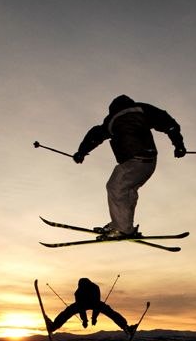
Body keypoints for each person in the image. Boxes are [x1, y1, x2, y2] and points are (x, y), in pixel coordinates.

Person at [72, 95, 186, 238]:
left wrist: (81, 152)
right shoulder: (143, 109)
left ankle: (122, 228)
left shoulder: (112, 119)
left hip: (134, 161)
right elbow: (168, 123)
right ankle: (123, 225)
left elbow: (95, 135)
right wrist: (179, 145)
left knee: (115, 187)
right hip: (149, 163)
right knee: (129, 190)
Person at [44, 277, 137, 336]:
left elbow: (94, 304)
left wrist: (93, 318)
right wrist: (85, 319)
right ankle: (53, 327)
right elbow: (82, 307)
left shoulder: (92, 289)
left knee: (68, 312)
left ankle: (126, 327)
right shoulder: (80, 292)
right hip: (87, 303)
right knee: (110, 312)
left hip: (93, 302)